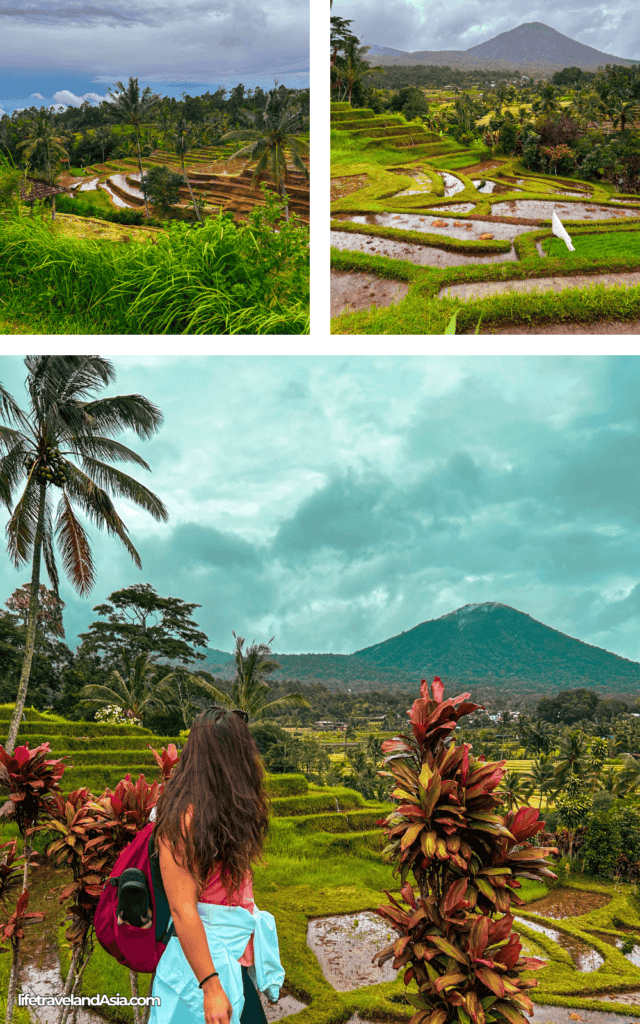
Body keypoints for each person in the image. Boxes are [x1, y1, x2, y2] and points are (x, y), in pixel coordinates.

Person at [149, 706, 284, 1024]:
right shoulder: (184, 818)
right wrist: (211, 989)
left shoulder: (223, 807)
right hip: (206, 965)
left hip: (231, 958)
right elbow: (183, 910)